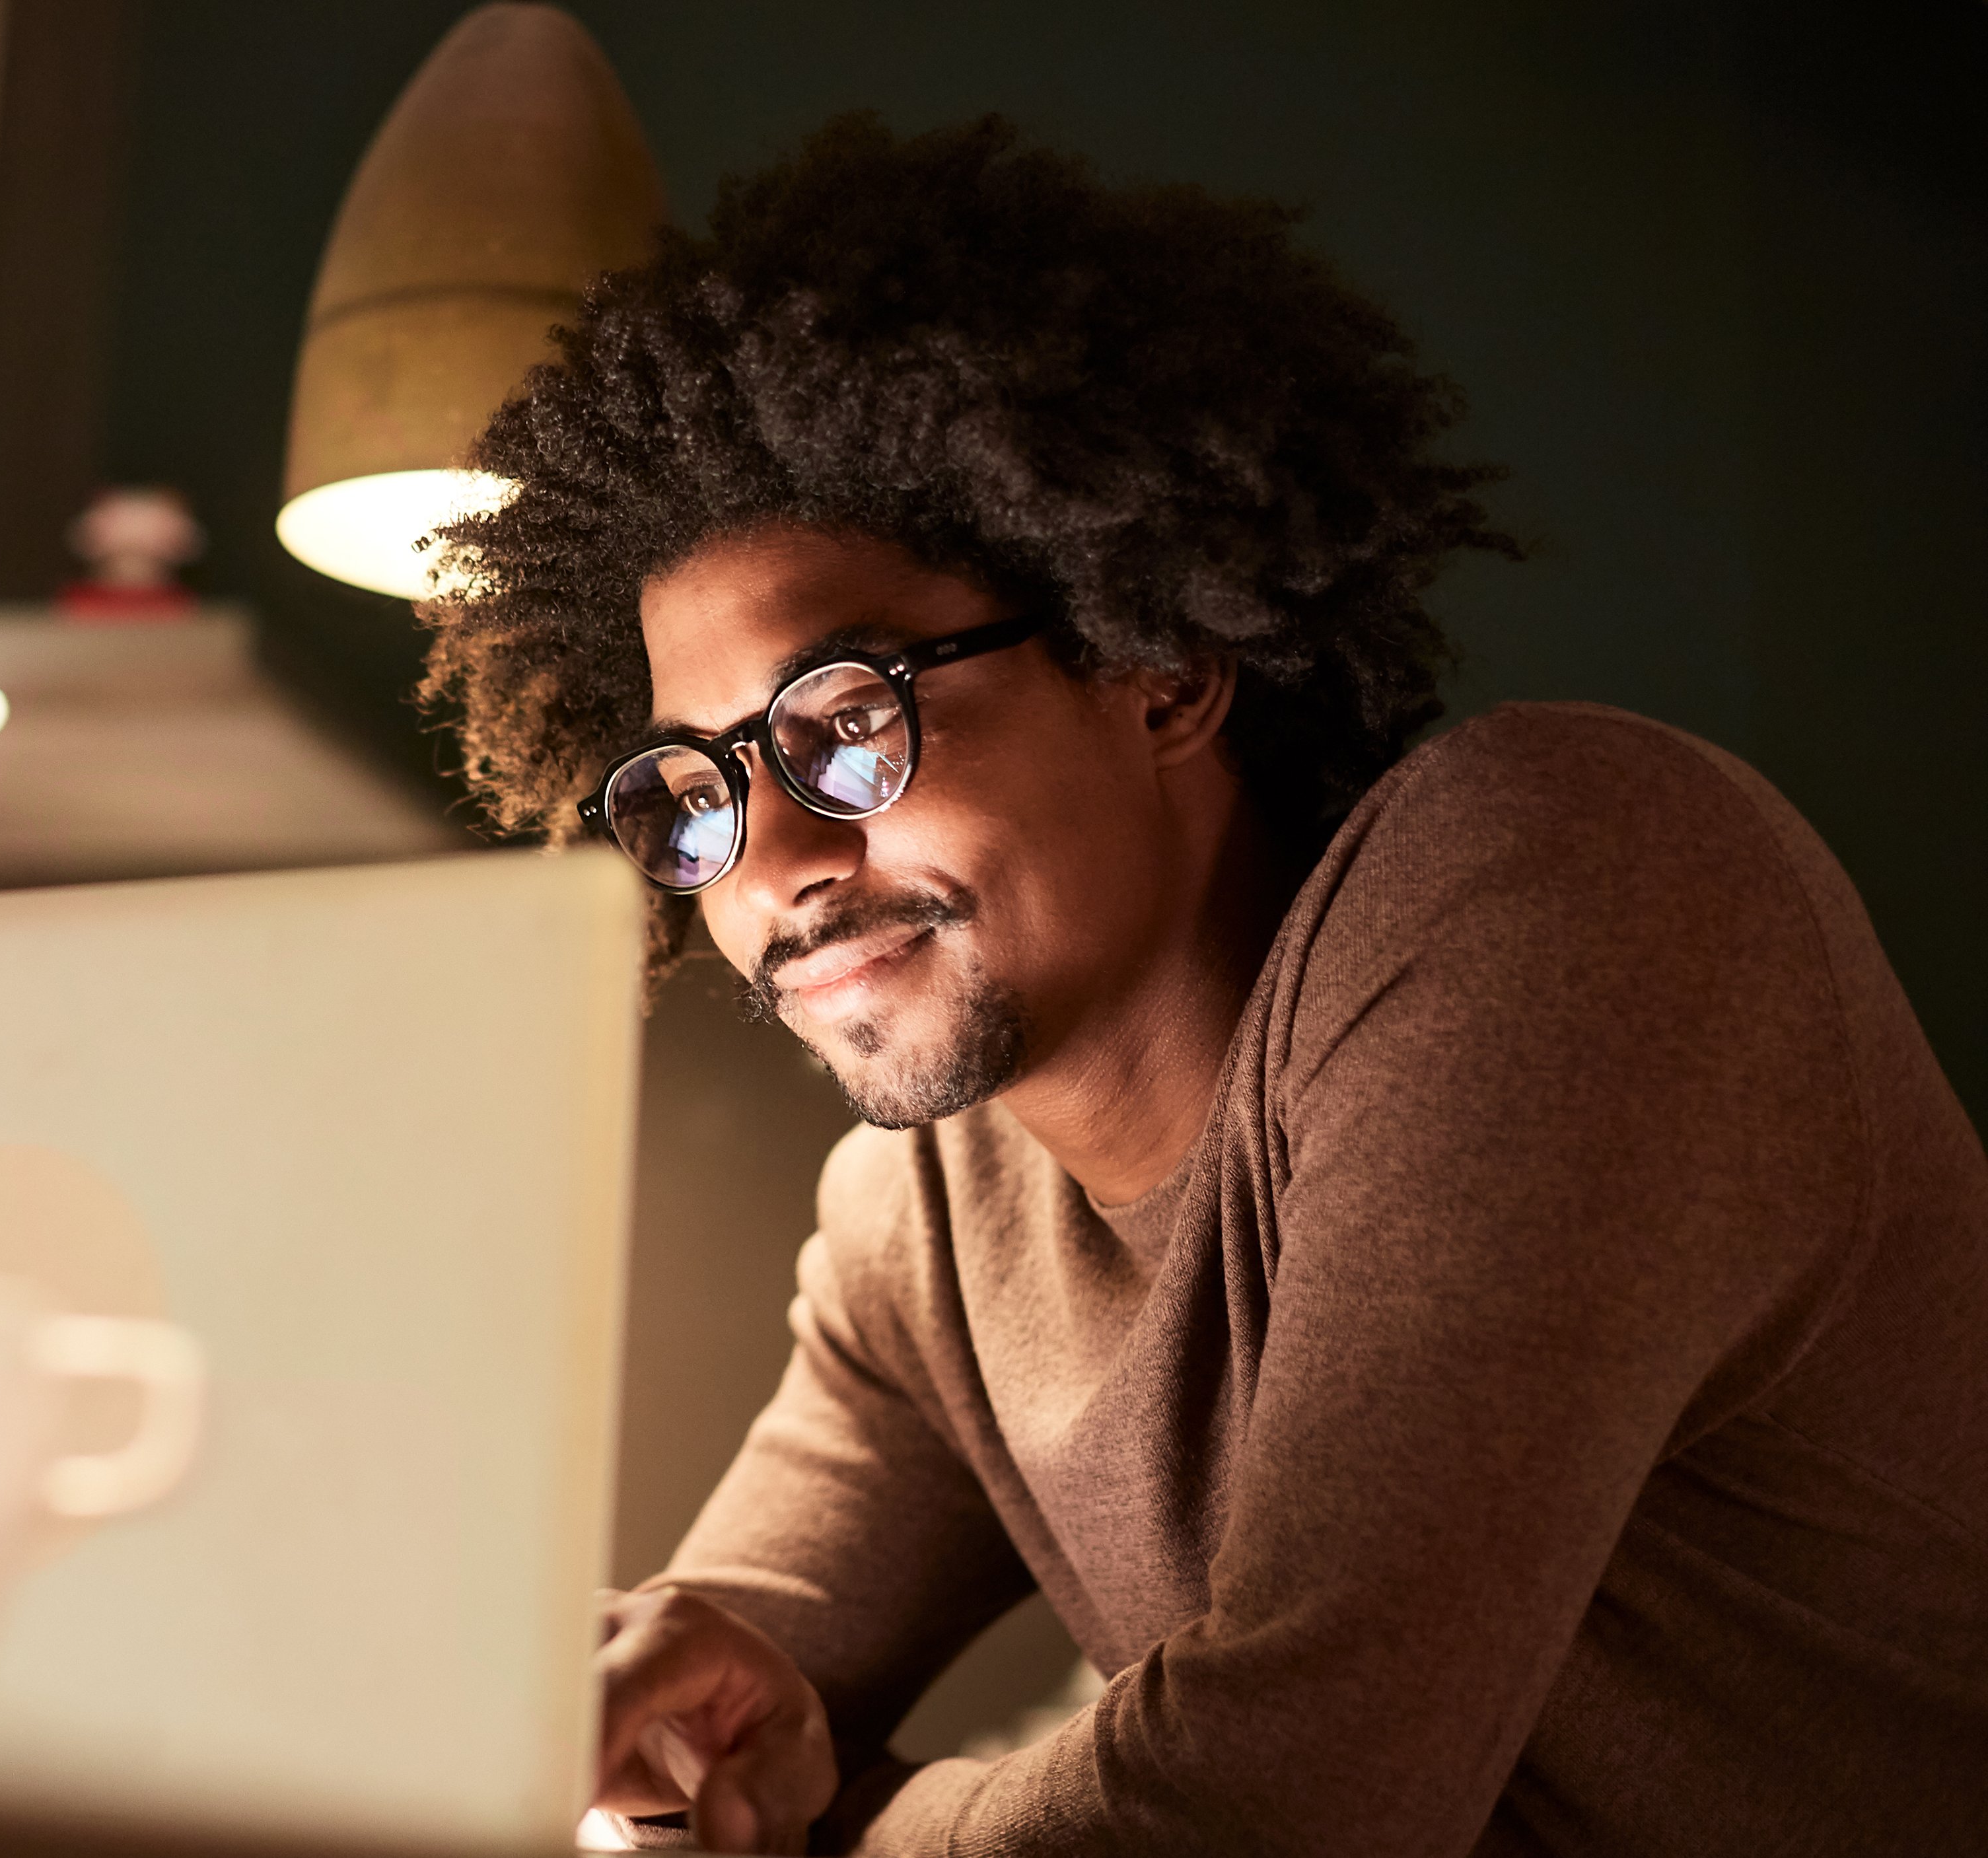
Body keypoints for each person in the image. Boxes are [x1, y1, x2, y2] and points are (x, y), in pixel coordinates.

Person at [423, 115, 1988, 1857]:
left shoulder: (1564, 885)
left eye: (849, 722)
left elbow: (1274, 1811)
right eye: (696, 794)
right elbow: (686, 1739)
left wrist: (845, 1821)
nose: (774, 858)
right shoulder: (926, 1219)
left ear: (1156, 663)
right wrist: (672, 1737)